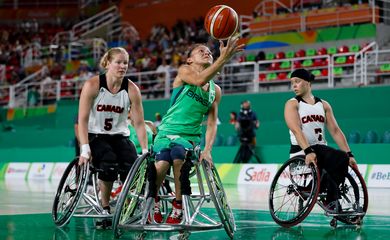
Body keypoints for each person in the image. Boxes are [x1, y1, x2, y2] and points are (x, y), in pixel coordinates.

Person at [151, 35, 244, 224]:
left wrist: (208, 150)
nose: (206, 52)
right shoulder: (184, 71)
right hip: (165, 131)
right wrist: (223, 58)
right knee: (161, 164)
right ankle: (153, 200)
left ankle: (178, 204)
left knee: (178, 157)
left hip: (189, 137)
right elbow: (200, 79)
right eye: (201, 51)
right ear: (189, 59)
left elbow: (211, 123)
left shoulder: (215, 90)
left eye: (209, 51)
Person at [78, 47, 148, 228]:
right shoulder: (93, 85)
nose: (122, 66)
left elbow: (139, 123)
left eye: (125, 62)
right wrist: (85, 148)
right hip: (96, 136)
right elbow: (82, 120)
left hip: (119, 137)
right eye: (118, 62)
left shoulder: (132, 89)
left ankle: (129, 205)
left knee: (133, 166)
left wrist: (146, 150)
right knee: (108, 163)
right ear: (108, 63)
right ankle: (105, 207)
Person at [284, 68, 357, 211]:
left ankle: (327, 195)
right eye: (292, 83)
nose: (294, 86)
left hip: (321, 150)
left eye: (297, 82)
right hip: (302, 151)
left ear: (308, 83)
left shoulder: (323, 104)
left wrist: (349, 154)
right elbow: (296, 130)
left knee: (343, 159)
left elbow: (335, 131)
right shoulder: (292, 104)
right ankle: (330, 199)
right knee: (337, 157)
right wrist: (308, 151)